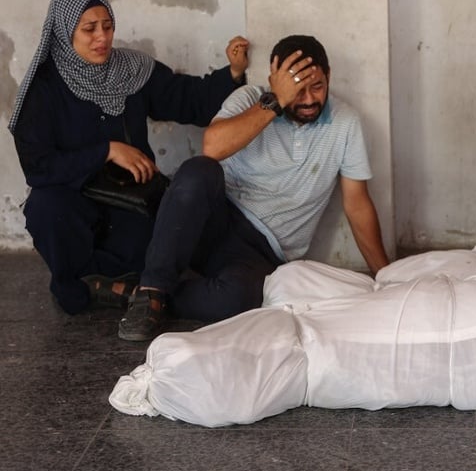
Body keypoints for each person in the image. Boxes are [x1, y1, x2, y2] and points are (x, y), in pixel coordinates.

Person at [118, 35, 390, 341]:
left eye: (317, 87)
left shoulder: (346, 123)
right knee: (199, 170)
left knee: (238, 300)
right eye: (297, 90)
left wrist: (385, 277)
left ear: (329, 77)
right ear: (275, 81)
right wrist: (276, 102)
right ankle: (154, 285)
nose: (310, 99)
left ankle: (139, 294)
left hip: (262, 251)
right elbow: (213, 146)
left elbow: (357, 204)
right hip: (213, 219)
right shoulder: (250, 98)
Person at [9, 0, 247, 315]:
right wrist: (107, 151)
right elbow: (38, 166)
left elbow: (186, 99)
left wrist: (233, 73)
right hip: (76, 203)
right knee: (45, 207)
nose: (102, 38)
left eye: (107, 26)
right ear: (64, 32)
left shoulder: (130, 70)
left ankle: (108, 287)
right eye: (89, 29)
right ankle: (79, 288)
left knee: (162, 237)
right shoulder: (44, 89)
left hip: (130, 200)